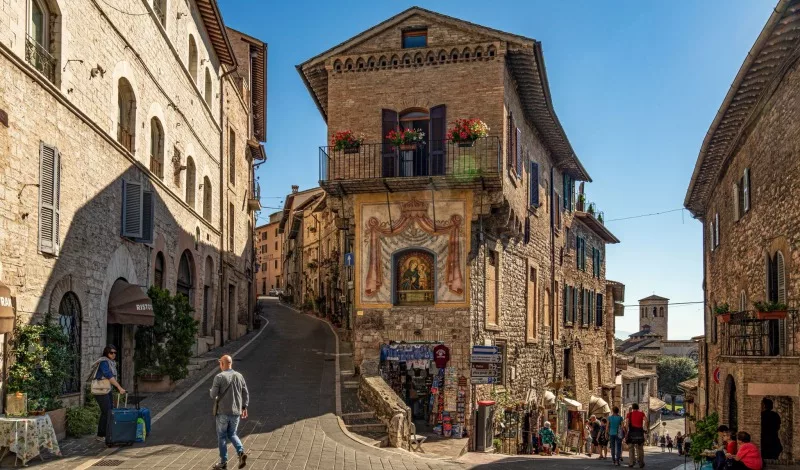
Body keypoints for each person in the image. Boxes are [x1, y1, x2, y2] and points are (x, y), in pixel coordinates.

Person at [210, 355, 249, 469]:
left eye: (220, 363)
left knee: (222, 436)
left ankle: (223, 462)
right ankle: (241, 452)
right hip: (236, 412)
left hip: (222, 412)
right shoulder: (239, 376)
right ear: (231, 364)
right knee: (232, 434)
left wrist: (211, 390)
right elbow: (245, 393)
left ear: (222, 364)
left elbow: (213, 394)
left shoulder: (219, 377)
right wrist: (244, 407)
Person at [89, 345, 126, 442]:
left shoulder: (111, 363)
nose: (113, 354)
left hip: (106, 389)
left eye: (115, 353)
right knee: (107, 412)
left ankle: (107, 432)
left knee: (109, 411)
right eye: (111, 353)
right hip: (100, 391)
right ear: (106, 353)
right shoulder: (104, 362)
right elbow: (109, 375)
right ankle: (101, 435)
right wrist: (119, 387)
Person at [625, 403, 648, 468]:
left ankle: (631, 462)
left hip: (631, 433)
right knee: (640, 448)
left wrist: (626, 433)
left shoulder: (629, 414)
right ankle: (641, 462)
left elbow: (626, 424)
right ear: (638, 407)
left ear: (632, 408)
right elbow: (646, 420)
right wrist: (645, 428)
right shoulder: (641, 413)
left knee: (631, 448)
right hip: (639, 433)